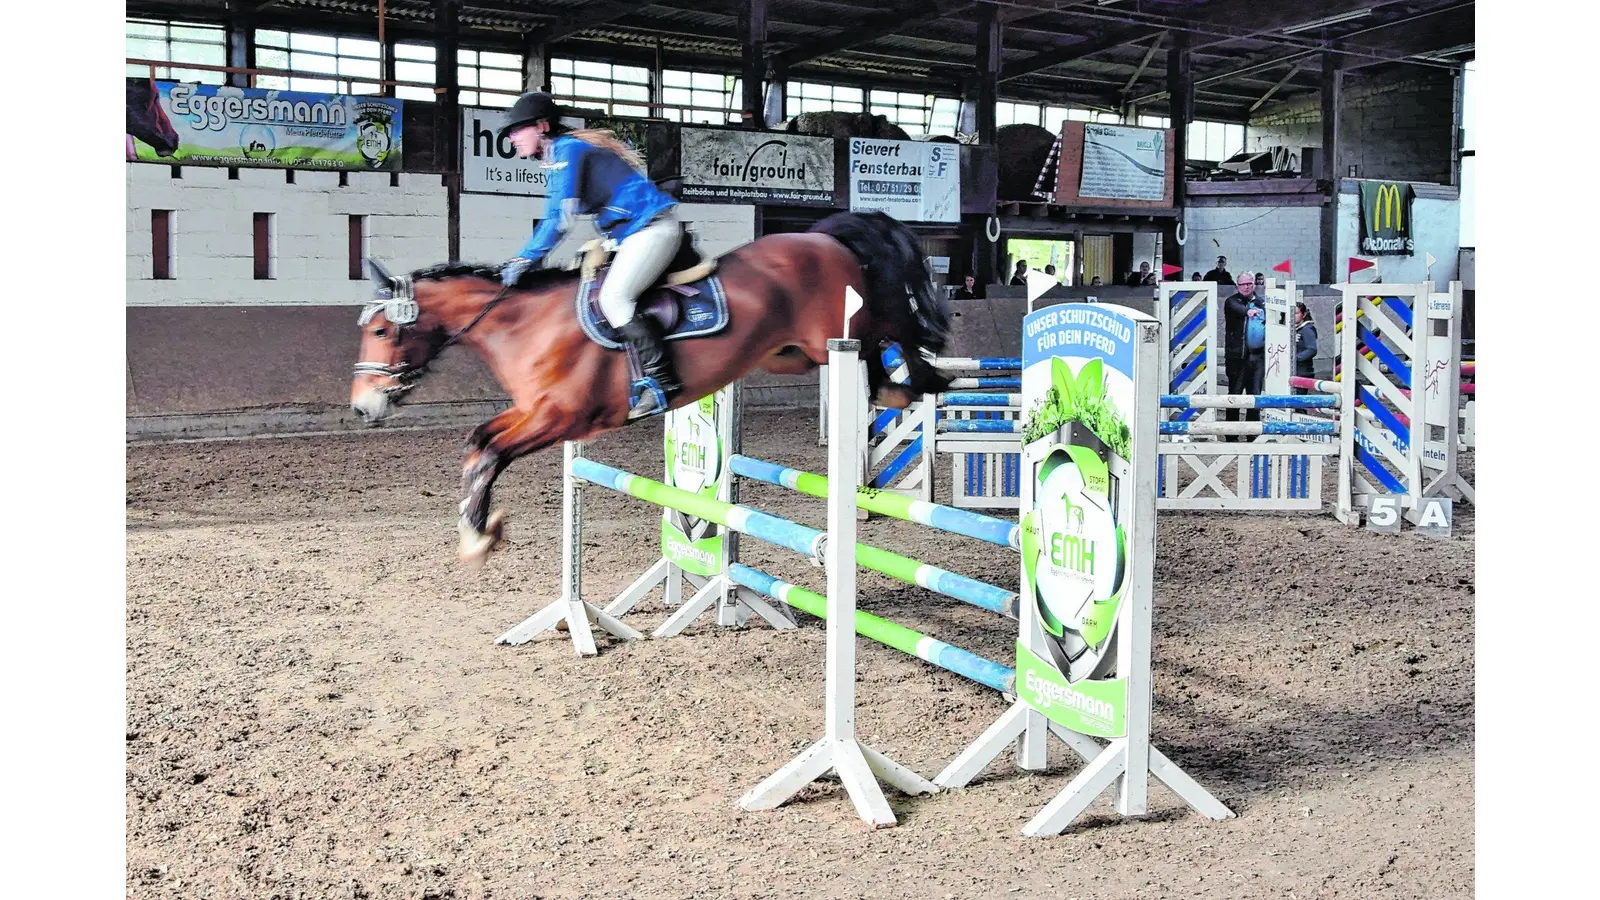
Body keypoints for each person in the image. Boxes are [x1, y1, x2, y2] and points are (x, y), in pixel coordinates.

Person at [497, 91, 682, 419]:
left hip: (651, 230)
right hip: (626, 235)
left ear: (541, 126)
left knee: (614, 300)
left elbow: (560, 218)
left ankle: (662, 381)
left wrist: (524, 258)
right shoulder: (560, 154)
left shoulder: (568, 150)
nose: (511, 138)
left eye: (516, 130)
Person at [1221, 273, 1264, 439]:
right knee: (1235, 395)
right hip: (1236, 357)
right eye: (1243, 284)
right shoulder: (1232, 301)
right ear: (1237, 285)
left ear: (1254, 284)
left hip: (1257, 356)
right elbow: (1238, 309)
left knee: (1255, 396)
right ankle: (1231, 434)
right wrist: (1249, 311)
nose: (1246, 286)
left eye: (1249, 283)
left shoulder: (1262, 302)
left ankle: (1252, 435)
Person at [1294, 301, 1318, 383]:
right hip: (1294, 371)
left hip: (1303, 372)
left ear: (1303, 315)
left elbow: (1312, 349)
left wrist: (1295, 358)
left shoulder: (1307, 329)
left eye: (1296, 313)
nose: (1293, 316)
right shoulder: (1292, 328)